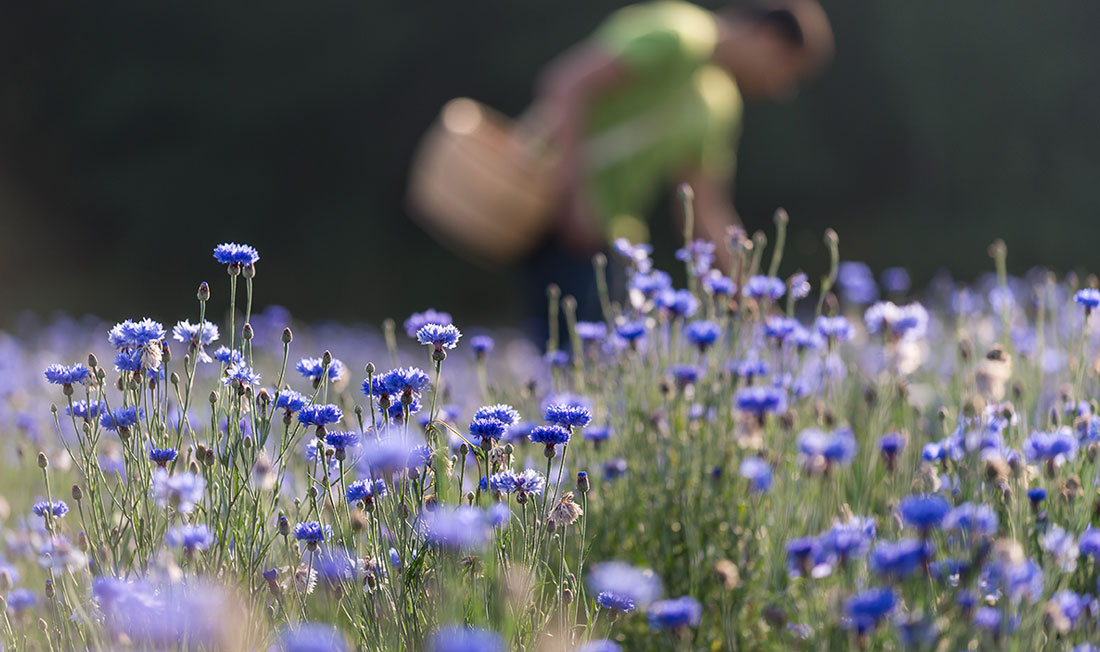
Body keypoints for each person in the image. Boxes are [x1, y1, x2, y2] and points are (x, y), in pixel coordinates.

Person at [523, 0, 833, 333]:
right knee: (570, 353)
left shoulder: (718, 103)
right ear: (768, 37)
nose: (779, 88)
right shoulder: (680, 34)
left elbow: (706, 211)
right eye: (786, 70)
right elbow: (568, 84)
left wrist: (754, 299)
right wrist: (574, 194)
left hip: (604, 236)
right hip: (549, 205)